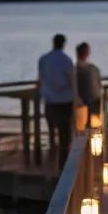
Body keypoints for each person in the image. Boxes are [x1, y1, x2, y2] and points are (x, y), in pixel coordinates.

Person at [38, 33, 75, 166]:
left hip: (49, 101)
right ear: (63, 44)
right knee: (64, 136)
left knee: (51, 132)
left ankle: (50, 162)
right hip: (64, 101)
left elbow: (41, 79)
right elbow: (72, 81)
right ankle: (62, 165)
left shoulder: (43, 59)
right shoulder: (66, 60)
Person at [75, 42, 102, 128]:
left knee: (82, 131)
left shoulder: (73, 70)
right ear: (87, 53)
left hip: (80, 106)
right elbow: (99, 86)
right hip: (93, 105)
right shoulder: (93, 69)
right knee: (94, 129)